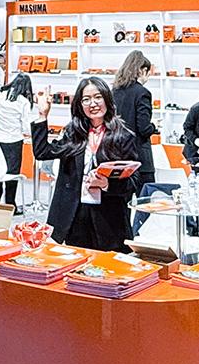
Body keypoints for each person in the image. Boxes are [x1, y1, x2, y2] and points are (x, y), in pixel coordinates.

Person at [32, 76, 141, 251]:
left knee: (106, 265)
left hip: (109, 217)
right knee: (77, 261)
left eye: (98, 97)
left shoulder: (123, 136)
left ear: (107, 99)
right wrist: (42, 115)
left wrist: (106, 184)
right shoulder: (73, 133)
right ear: (80, 105)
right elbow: (42, 152)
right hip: (75, 214)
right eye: (86, 99)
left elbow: (134, 181)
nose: (93, 104)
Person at [112, 51, 162, 231]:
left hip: (119, 155)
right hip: (140, 157)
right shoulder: (143, 93)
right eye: (148, 73)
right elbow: (143, 128)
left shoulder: (115, 91)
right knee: (145, 203)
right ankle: (140, 236)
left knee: (120, 204)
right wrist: (154, 126)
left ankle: (123, 237)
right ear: (142, 70)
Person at [0, 73, 36, 210]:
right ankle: (10, 204)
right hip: (14, 140)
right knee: (12, 174)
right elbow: (25, 126)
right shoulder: (23, 102)